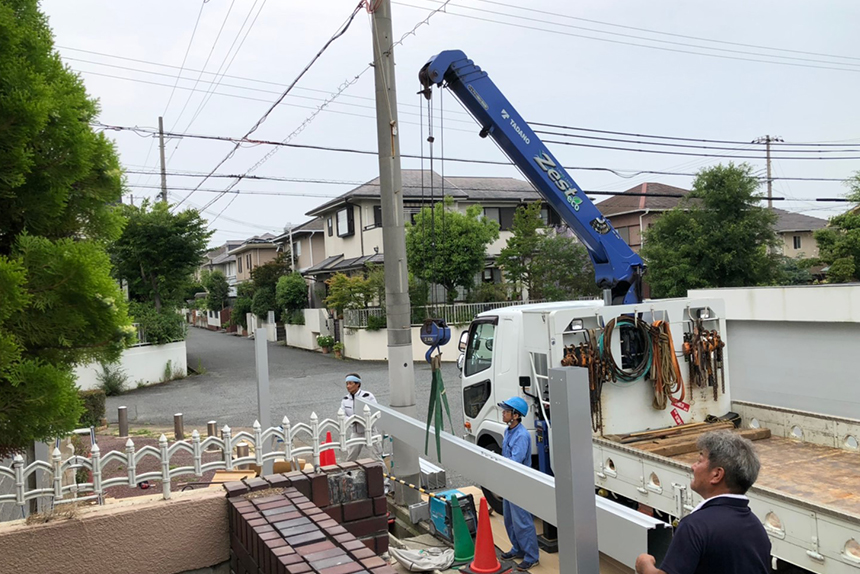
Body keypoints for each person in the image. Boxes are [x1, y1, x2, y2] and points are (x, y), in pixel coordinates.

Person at [635, 430, 771, 574]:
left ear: (717, 475)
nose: (693, 466)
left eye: (700, 461)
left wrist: (645, 565)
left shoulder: (694, 526)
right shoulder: (758, 529)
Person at [497, 396, 540, 571]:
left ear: (515, 415)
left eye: (506, 411)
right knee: (509, 519)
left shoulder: (521, 435)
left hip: (519, 482)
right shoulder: (508, 431)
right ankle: (518, 549)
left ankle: (531, 556)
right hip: (509, 480)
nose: (503, 414)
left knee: (522, 520)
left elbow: (514, 461)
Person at [340, 373, 383, 462]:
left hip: (370, 431)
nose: (348, 386)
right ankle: (347, 474)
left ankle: (382, 474)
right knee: (351, 457)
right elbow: (342, 415)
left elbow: (376, 412)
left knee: (376, 457)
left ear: (357, 384)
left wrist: (364, 421)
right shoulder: (345, 400)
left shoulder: (368, 396)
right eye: (347, 384)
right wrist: (351, 420)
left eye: (350, 383)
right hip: (356, 432)